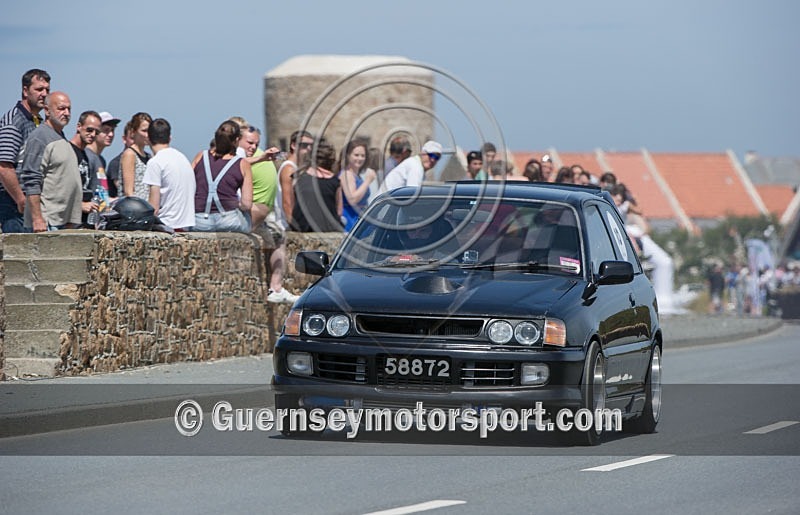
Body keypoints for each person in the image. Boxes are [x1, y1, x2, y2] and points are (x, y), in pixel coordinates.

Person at [20, 91, 82, 232]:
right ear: (47, 110)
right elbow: (31, 179)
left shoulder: (60, 137)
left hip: (63, 222)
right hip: (47, 223)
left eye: (69, 109)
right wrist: (37, 219)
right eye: (61, 108)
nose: (66, 113)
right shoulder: (40, 137)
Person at [0, 68, 50, 233]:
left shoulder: (36, 121)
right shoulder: (14, 121)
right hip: (13, 204)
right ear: (25, 90)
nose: (44, 94)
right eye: (39, 89)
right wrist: (20, 199)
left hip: (32, 201)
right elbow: (4, 166)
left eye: (47, 90)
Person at [190, 120, 252, 233]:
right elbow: (246, 204)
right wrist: (236, 204)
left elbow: (188, 185)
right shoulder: (243, 164)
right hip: (229, 220)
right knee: (248, 218)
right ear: (237, 140)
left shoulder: (200, 156)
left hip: (199, 220)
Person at [142, 118, 195, 231]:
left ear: (147, 139)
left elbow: (153, 208)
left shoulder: (155, 162)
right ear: (170, 138)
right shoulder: (183, 158)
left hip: (167, 225)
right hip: (187, 225)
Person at [291, 140, 343, 232]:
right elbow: (339, 211)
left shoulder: (297, 178)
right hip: (328, 231)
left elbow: (292, 205)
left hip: (301, 229)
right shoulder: (335, 182)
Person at [69, 110, 103, 226]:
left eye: (96, 132)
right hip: (66, 220)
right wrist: (79, 205)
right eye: (89, 130)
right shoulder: (67, 151)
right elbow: (58, 188)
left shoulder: (86, 155)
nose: (93, 134)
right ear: (79, 127)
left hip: (81, 220)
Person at [279, 130, 314, 229]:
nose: (309, 148)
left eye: (311, 145)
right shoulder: (289, 169)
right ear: (294, 145)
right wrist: (294, 226)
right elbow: (287, 202)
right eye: (304, 145)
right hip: (286, 226)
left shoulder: (298, 167)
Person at [339, 138, 376, 231]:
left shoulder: (357, 175)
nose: (360, 158)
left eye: (363, 155)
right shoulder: (347, 174)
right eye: (356, 155)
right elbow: (352, 199)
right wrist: (368, 181)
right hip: (349, 220)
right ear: (347, 156)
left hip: (359, 219)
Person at [86, 111, 120, 202]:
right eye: (106, 130)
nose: (111, 135)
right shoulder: (86, 157)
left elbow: (102, 192)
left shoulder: (101, 160)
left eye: (112, 130)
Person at [120, 112, 152, 198]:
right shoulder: (130, 154)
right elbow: (128, 191)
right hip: (133, 208)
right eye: (144, 131)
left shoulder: (149, 157)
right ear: (134, 132)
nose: (147, 135)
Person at [106, 120, 132, 198]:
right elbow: (121, 188)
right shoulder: (116, 163)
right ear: (124, 139)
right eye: (132, 138)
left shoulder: (148, 158)